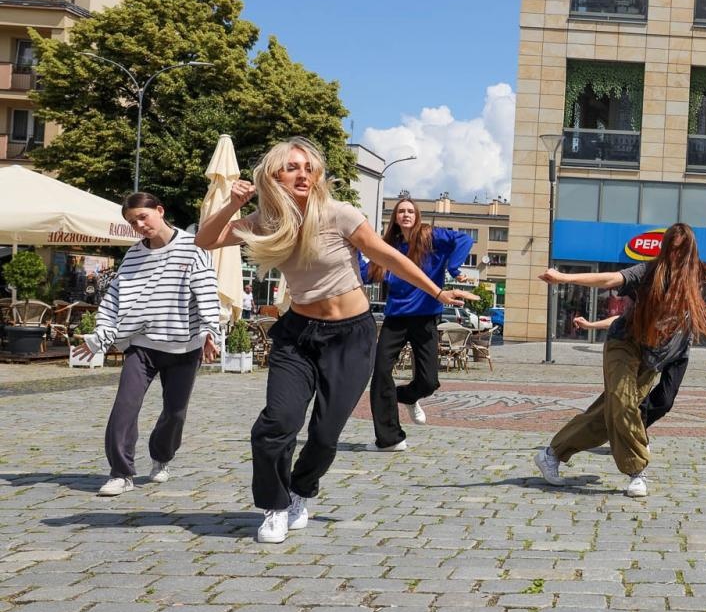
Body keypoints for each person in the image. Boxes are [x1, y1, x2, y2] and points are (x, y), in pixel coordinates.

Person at [196, 137, 475, 543]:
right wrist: (233, 204)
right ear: (274, 176)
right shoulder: (264, 221)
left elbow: (388, 257)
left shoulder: (339, 214)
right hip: (297, 336)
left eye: (309, 167)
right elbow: (205, 241)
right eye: (292, 167)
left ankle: (300, 492)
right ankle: (273, 505)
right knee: (278, 422)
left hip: (351, 337)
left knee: (325, 436)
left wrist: (437, 292)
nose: (303, 174)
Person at [532, 225, 706, 498]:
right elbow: (611, 279)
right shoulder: (649, 271)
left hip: (652, 358)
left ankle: (551, 454)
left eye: (681, 250)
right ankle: (637, 471)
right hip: (624, 345)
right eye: (670, 249)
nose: (674, 256)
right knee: (624, 403)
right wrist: (566, 278)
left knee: (609, 414)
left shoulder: (700, 274)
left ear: (690, 252)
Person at [76, 192, 221, 496]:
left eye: (143, 217)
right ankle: (121, 472)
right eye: (132, 222)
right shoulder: (133, 254)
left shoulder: (194, 247)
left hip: (185, 346)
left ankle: (161, 457)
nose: (139, 225)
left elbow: (207, 291)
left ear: (160, 210)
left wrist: (211, 332)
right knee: (124, 408)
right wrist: (100, 337)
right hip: (141, 346)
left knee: (175, 413)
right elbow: (115, 299)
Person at [569, 256, 706, 432]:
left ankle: (634, 431)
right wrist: (591, 325)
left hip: (678, 351)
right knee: (634, 397)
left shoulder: (684, 284)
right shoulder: (648, 296)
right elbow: (622, 319)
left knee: (665, 401)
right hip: (653, 348)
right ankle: (632, 435)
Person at [361, 197, 474, 452]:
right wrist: (353, 250)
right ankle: (389, 439)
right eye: (401, 211)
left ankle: (408, 397)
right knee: (380, 374)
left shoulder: (429, 236)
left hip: (425, 317)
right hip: (396, 318)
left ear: (417, 215)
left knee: (429, 382)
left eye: (410, 211)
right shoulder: (388, 246)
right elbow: (365, 274)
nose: (406, 214)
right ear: (395, 218)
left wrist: (453, 268)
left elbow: (464, 240)